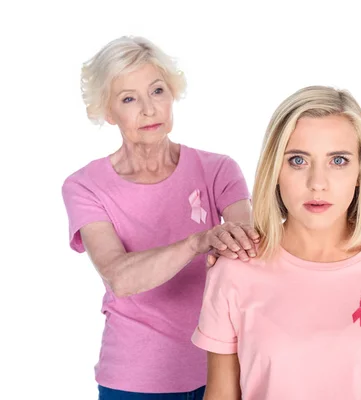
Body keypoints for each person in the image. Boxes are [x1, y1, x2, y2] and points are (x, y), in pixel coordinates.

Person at [192, 85, 361, 400]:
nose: (317, 183)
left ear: (360, 172)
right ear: (275, 170)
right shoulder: (233, 271)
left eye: (338, 161)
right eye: (298, 160)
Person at [61, 35, 259, 399]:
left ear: (172, 94)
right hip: (134, 378)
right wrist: (198, 241)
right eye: (128, 99)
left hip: (222, 366)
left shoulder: (218, 169)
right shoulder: (84, 186)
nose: (149, 109)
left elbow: (251, 249)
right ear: (108, 111)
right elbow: (119, 276)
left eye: (157, 91)